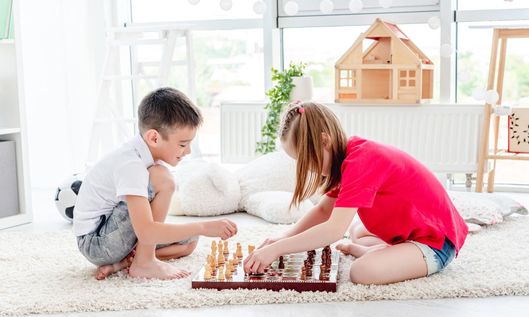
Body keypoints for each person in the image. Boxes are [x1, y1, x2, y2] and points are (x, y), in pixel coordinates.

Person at [243, 101, 467, 285]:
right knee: (357, 230)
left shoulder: (360, 161)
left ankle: (376, 253)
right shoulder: (348, 156)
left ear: (324, 141)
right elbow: (323, 211)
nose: (309, 169)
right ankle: (380, 251)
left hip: (436, 244)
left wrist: (277, 249)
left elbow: (332, 230)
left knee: (361, 272)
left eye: (307, 161)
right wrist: (283, 237)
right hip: (410, 235)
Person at [74, 87, 237, 280]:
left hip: (113, 240)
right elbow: (147, 232)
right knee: (164, 179)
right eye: (183, 144)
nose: (188, 151)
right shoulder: (131, 165)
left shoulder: (145, 156)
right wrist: (203, 226)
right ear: (154, 138)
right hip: (97, 243)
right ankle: (144, 263)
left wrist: (198, 230)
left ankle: (126, 262)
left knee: (189, 242)